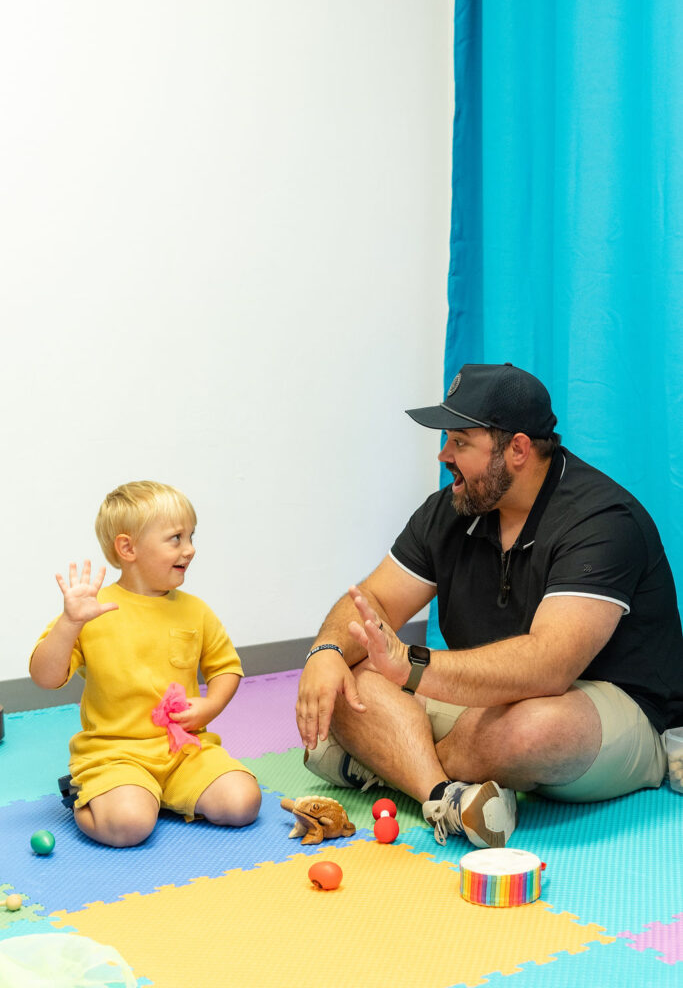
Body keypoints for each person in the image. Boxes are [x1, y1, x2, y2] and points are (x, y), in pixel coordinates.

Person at [296, 363, 683, 848]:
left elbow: (549, 667)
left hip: (612, 709)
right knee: (347, 684)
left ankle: (382, 762)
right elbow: (371, 599)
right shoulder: (453, 508)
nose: (444, 455)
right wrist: (325, 653)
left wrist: (408, 672)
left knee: (535, 729)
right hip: (490, 701)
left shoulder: (601, 520)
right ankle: (442, 795)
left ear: (517, 449)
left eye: (460, 441)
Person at [30, 480, 261, 847]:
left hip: (183, 751)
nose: (190, 549)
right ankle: (87, 794)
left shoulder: (195, 610)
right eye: (176, 538)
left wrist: (211, 705)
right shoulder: (93, 611)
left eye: (191, 536)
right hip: (115, 755)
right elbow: (45, 677)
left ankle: (158, 794)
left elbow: (225, 668)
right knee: (128, 826)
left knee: (243, 802)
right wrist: (69, 623)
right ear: (128, 547)